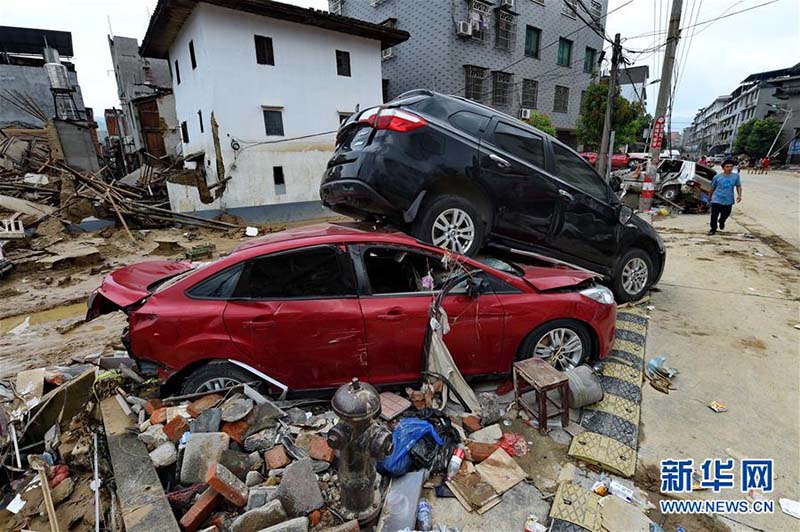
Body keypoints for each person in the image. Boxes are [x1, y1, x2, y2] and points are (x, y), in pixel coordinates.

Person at [708, 159, 742, 235]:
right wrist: (709, 197)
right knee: (714, 214)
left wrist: (739, 195)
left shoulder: (735, 176)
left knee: (726, 214)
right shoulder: (717, 177)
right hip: (717, 198)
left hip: (728, 199)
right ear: (723, 168)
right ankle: (713, 228)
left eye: (731, 167)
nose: (729, 168)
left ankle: (722, 221)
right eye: (727, 167)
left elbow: (738, 186)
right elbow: (712, 188)